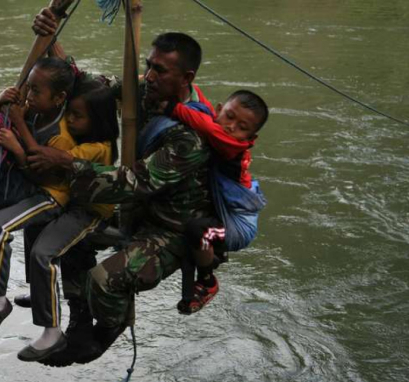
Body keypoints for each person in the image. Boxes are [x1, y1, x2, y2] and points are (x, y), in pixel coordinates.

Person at [32, 9, 218, 364]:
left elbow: (135, 183)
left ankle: (106, 329)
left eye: (160, 71)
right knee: (67, 232)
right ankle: (80, 319)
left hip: (171, 227)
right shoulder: (144, 89)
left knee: (105, 279)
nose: (149, 76)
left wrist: (69, 163)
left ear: (187, 77)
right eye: (148, 65)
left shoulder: (190, 136)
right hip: (132, 208)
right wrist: (50, 39)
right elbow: (86, 85)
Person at [0, 56, 77, 339]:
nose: (28, 96)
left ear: (59, 98)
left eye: (36, 91)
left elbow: (43, 177)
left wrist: (18, 147)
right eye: (27, 88)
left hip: (49, 194)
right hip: (27, 185)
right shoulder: (32, 111)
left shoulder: (60, 134)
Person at [16, 79, 120, 362]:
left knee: (43, 252)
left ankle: (52, 332)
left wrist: (19, 126)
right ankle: (40, 293)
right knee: (32, 227)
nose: (69, 120)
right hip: (71, 202)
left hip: (88, 212)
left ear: (96, 119)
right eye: (69, 113)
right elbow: (64, 75)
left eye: (77, 116)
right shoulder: (85, 138)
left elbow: (50, 157)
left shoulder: (96, 147)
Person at [163, 89, 269, 315]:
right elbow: (201, 102)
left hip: (239, 226)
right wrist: (186, 85)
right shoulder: (216, 120)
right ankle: (211, 253)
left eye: (243, 128)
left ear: (251, 139)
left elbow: (209, 128)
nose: (232, 127)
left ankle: (207, 281)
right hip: (229, 211)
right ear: (219, 109)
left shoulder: (233, 147)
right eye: (229, 117)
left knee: (197, 231)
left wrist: (173, 108)